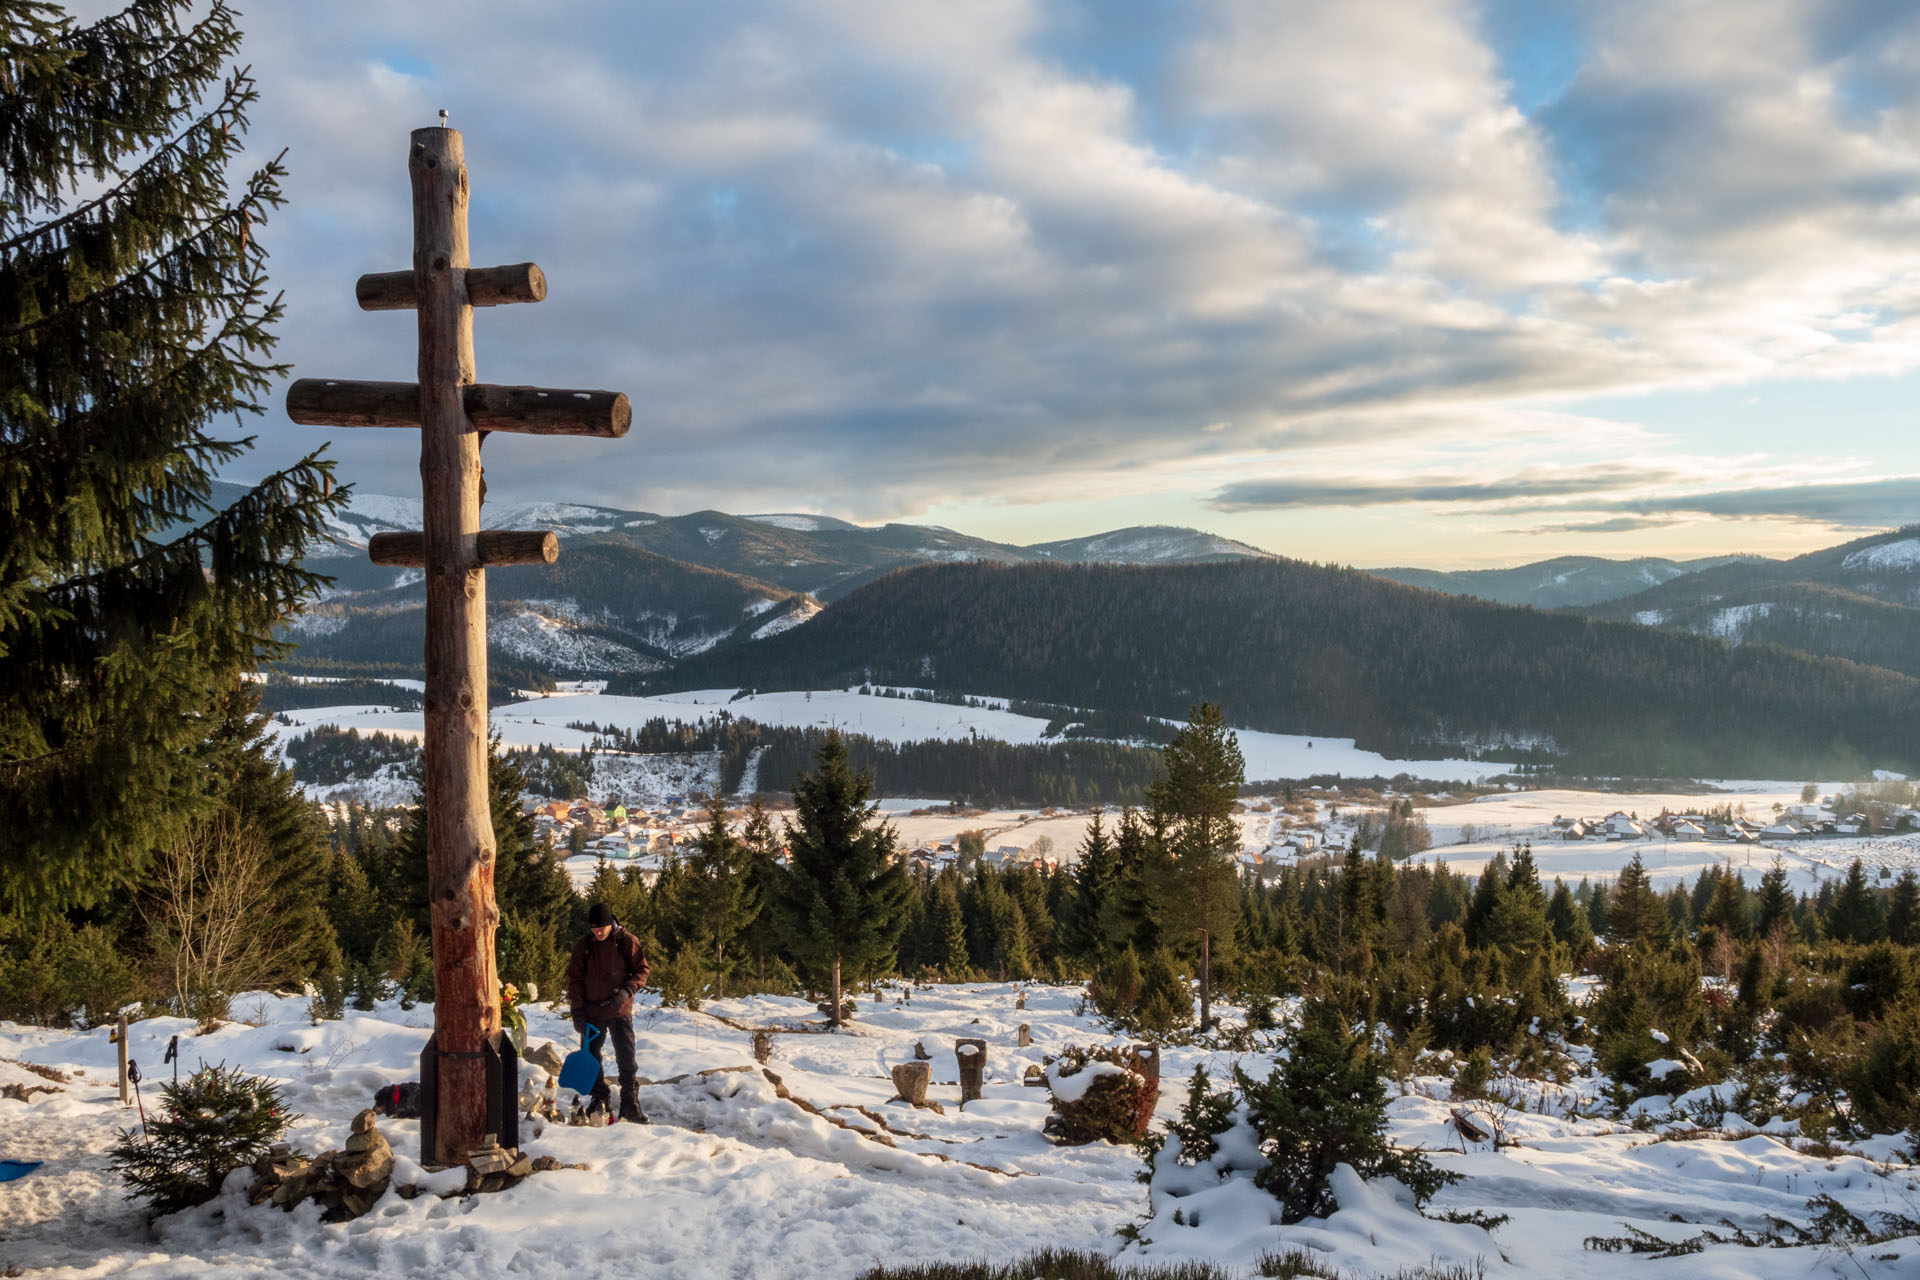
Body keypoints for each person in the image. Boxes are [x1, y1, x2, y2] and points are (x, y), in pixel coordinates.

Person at [565, 902, 650, 1123]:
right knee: (591, 1056)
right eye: (594, 929)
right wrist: (577, 1011)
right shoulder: (583, 946)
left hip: (619, 1008)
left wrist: (627, 991)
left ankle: (630, 1104)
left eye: (601, 928)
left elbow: (642, 969)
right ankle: (600, 1098)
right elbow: (574, 980)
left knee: (626, 1057)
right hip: (592, 1011)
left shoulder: (626, 941)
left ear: (610, 924)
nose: (598, 932)